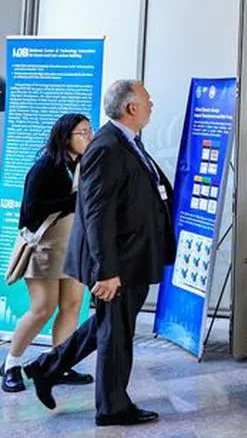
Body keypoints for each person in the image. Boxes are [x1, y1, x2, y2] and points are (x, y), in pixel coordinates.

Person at [24, 80, 174, 427]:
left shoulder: (128, 141)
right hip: (117, 261)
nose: (152, 105)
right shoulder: (108, 146)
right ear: (131, 108)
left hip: (131, 256)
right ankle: (112, 408)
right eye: (147, 101)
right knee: (115, 334)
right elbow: (96, 213)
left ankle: (45, 368)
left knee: (109, 325)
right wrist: (106, 270)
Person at [3, 114, 96, 393]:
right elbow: (31, 211)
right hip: (46, 248)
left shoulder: (82, 164)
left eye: (90, 131)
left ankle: (59, 365)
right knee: (43, 308)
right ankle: (11, 364)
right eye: (83, 133)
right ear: (66, 137)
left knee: (72, 306)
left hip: (75, 246)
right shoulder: (45, 167)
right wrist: (72, 201)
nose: (88, 137)